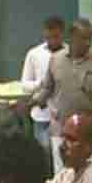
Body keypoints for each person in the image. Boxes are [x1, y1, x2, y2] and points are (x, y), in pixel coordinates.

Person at [26, 19, 92, 174]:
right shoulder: (56, 60)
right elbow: (47, 88)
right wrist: (34, 101)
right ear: (72, 37)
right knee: (62, 172)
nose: (88, 43)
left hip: (87, 131)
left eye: (90, 39)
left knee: (88, 172)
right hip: (61, 127)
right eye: (83, 38)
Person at [20, 16, 66, 161]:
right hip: (42, 115)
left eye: (56, 36)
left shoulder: (70, 53)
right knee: (44, 154)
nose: (52, 39)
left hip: (64, 114)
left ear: (62, 33)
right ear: (44, 34)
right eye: (49, 36)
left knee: (63, 155)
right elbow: (25, 85)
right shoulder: (34, 54)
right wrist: (42, 83)